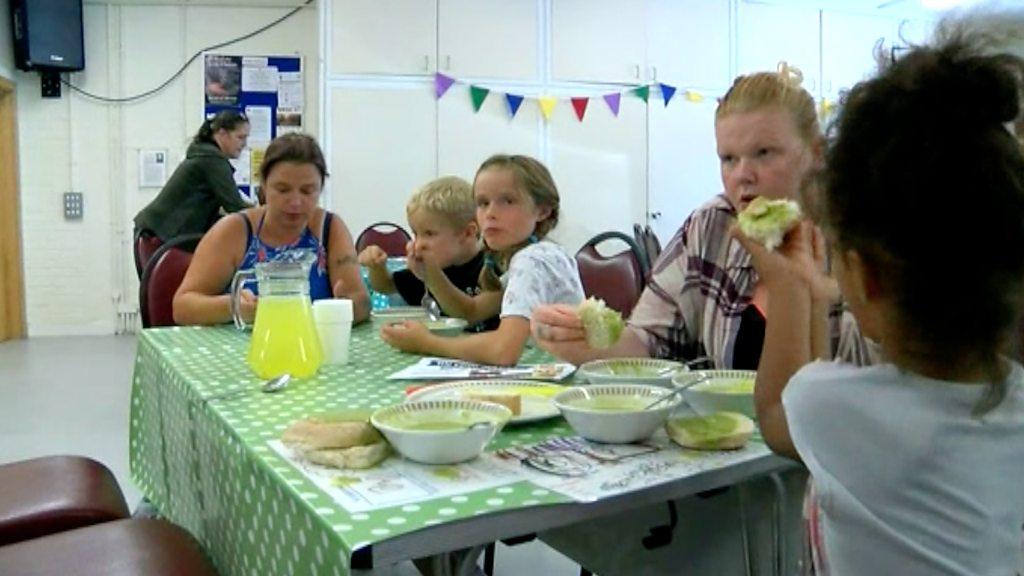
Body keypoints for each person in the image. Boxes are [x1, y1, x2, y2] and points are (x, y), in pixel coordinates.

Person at [735, 28, 1024, 575]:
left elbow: (776, 414)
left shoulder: (835, 409)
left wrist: (791, 286)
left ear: (864, 277)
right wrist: (819, 297)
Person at [531, 63, 872, 370]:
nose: (743, 175)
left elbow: (875, 388)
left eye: (764, 153)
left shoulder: (859, 240)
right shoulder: (713, 225)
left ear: (816, 154)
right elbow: (648, 343)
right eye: (728, 159)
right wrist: (583, 338)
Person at [380, 154, 584, 365]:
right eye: (482, 203)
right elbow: (471, 311)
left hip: (560, 382)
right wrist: (430, 274)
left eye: (507, 201)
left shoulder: (533, 261)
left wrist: (427, 343)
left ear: (542, 210)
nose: (491, 213)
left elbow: (503, 352)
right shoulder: (535, 255)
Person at [173, 133, 369, 326]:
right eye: (282, 190)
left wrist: (345, 306)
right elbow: (183, 307)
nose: (295, 202)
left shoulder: (330, 229)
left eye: (307, 191)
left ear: (320, 189)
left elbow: (360, 301)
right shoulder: (235, 230)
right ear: (264, 186)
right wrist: (233, 306)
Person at [358, 176, 499, 332]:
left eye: (429, 234)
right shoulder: (432, 264)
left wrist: (430, 276)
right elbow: (386, 285)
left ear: (467, 233)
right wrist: (376, 266)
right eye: (415, 234)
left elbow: (467, 315)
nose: (418, 244)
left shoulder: (492, 267)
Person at [134, 110, 252, 241]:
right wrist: (266, 214)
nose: (244, 144)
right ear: (222, 134)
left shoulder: (203, 152)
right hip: (164, 237)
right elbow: (235, 206)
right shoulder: (212, 160)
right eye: (240, 137)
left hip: (152, 231)